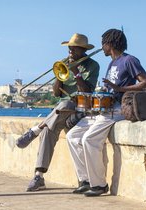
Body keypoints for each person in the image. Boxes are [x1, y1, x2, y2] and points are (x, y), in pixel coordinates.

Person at [66, 28, 146, 196]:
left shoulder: (129, 60)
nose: (101, 47)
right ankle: (85, 180)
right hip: (105, 109)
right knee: (72, 136)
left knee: (89, 139)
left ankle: (99, 185)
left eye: (103, 43)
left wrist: (120, 88)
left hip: (118, 109)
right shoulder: (112, 63)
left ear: (110, 44)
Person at [16, 33, 100, 191]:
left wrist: (75, 71)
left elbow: (86, 92)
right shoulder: (64, 63)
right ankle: (39, 176)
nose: (70, 52)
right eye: (69, 49)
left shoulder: (92, 65)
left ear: (82, 50)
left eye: (73, 49)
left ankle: (35, 129)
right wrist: (59, 75)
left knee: (66, 103)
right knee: (48, 131)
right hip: (63, 110)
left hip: (82, 107)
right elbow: (56, 94)